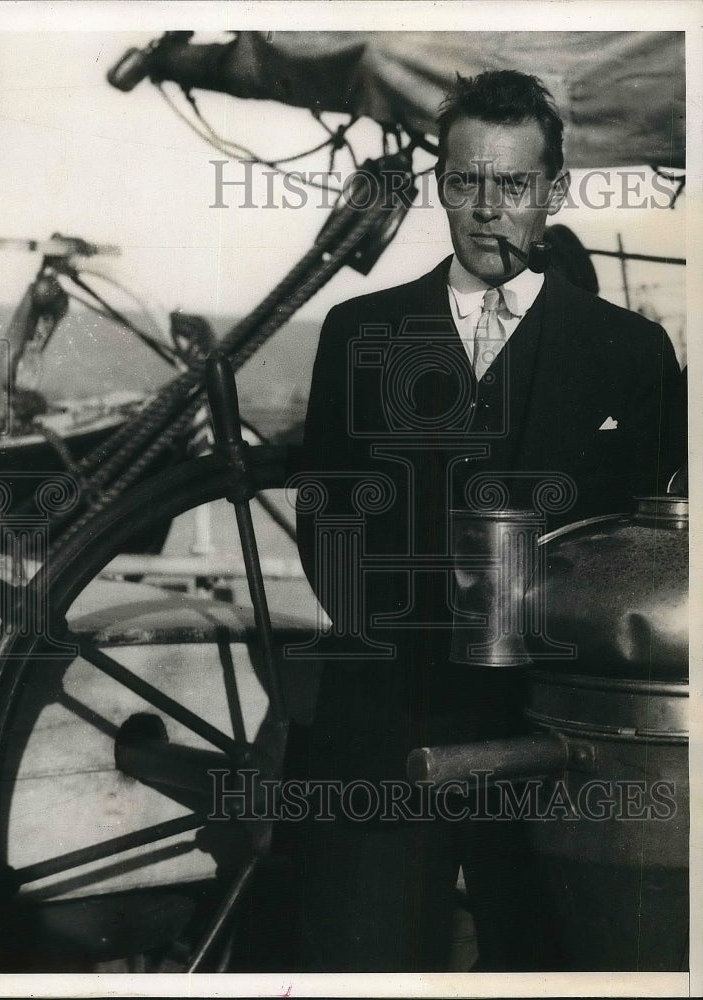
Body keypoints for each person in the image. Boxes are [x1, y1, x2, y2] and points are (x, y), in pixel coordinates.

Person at [289, 70, 684, 972]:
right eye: (465, 181)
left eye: (511, 184)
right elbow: (325, 519)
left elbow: (656, 544)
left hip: (555, 733)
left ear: (552, 191)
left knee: (553, 963)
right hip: (390, 716)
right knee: (367, 960)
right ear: (440, 185)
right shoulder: (360, 331)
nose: (487, 208)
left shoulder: (628, 351)